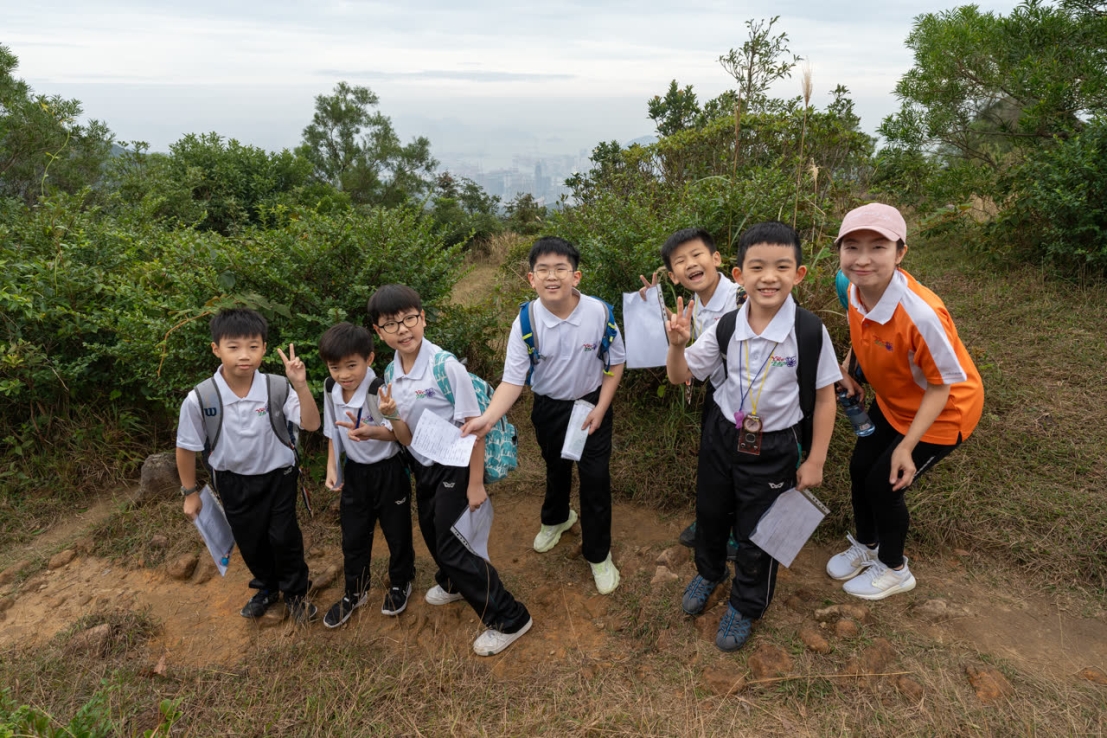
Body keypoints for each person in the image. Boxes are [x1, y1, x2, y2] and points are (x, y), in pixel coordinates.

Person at [665, 222, 840, 651]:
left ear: (799, 273)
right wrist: (677, 345)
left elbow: (825, 399)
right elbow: (680, 376)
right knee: (710, 514)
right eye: (757, 267)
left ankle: (746, 604)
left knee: (760, 533)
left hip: (775, 446)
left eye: (782, 267)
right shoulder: (727, 326)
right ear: (739, 275)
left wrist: (815, 460)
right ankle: (710, 572)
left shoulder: (809, 331)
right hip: (723, 436)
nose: (769, 277)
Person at [360, 284, 532, 655]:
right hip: (424, 464)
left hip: (458, 462)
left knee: (453, 544)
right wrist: (389, 417)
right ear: (378, 331)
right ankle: (453, 583)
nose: (403, 329)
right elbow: (405, 438)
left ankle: (509, 617)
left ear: (422, 318)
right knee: (430, 529)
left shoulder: (446, 367)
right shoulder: (391, 373)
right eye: (391, 324)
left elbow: (475, 428)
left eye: (409, 318)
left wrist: (475, 484)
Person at [827, 203, 984, 600]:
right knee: (860, 468)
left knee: (884, 485)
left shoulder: (922, 315)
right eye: (852, 247)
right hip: (894, 401)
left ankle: (895, 568)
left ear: (900, 253)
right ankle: (868, 544)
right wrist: (848, 368)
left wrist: (907, 447)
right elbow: (862, 329)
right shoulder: (852, 286)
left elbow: (941, 387)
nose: (863, 259)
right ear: (840, 251)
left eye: (878, 247)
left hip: (943, 412)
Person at [462, 237, 626, 595]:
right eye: (543, 270)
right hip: (549, 407)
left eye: (560, 269)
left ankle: (598, 554)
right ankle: (558, 518)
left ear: (576, 276)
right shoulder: (526, 321)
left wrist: (601, 407)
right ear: (531, 278)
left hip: (591, 406)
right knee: (556, 466)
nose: (552, 277)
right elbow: (512, 381)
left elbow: (615, 363)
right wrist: (488, 418)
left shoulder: (599, 313)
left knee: (595, 478)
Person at [176, 308, 321, 624]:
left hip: (279, 478)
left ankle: (295, 593)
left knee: (284, 537)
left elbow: (311, 424)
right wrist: (190, 493)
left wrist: (300, 385)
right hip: (232, 482)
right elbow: (186, 447)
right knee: (250, 540)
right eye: (234, 347)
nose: (245, 355)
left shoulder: (277, 388)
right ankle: (267, 587)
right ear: (216, 349)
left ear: (264, 349)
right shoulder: (201, 398)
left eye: (253, 346)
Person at [638, 227, 746, 557]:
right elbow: (681, 335)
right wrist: (653, 305)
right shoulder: (696, 303)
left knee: (743, 469)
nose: (691, 264)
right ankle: (713, 520)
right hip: (719, 394)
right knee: (715, 465)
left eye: (697, 255)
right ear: (673, 276)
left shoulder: (742, 297)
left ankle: (738, 533)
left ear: (716, 258)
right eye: (680, 261)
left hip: (753, 402)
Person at [318, 322, 415, 628]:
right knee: (354, 535)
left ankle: (401, 582)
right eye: (335, 367)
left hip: (389, 471)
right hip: (356, 473)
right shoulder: (330, 388)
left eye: (351, 365)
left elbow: (399, 435)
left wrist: (371, 431)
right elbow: (333, 431)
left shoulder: (380, 389)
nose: (343, 374)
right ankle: (355, 590)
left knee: (397, 532)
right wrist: (333, 466)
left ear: (369, 359)